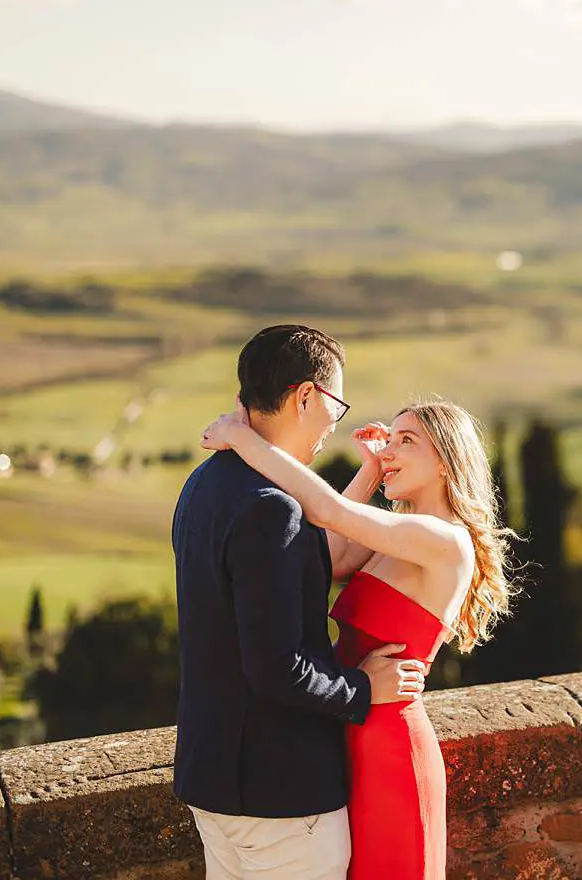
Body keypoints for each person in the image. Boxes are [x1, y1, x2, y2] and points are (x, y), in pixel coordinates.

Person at [200, 393, 516, 880]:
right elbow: (326, 554)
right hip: (349, 735)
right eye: (388, 439)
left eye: (405, 441)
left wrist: (242, 439)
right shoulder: (402, 534)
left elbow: (326, 510)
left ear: (447, 460)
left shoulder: (445, 540)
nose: (389, 449)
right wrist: (372, 472)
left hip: (392, 749)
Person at [172, 324, 429, 880]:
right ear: (305, 396)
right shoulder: (271, 510)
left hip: (212, 780)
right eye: (335, 404)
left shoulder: (202, 485)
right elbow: (277, 667)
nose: (333, 425)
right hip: (280, 794)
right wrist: (366, 688)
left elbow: (325, 549)